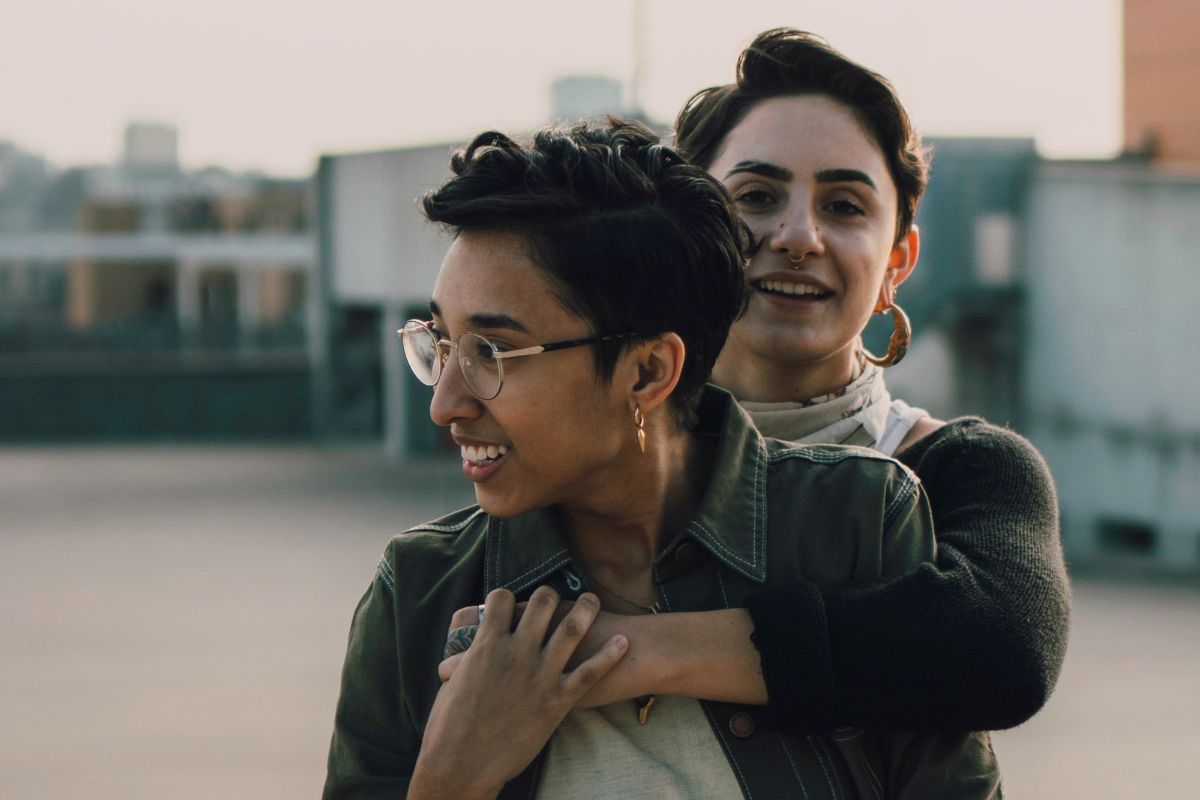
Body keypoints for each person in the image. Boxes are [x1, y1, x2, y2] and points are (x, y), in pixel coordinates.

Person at [323, 119, 1000, 798]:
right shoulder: (421, 592)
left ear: (647, 373)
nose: (445, 403)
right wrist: (450, 777)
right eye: (441, 341)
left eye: (492, 353)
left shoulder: (856, 524)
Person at [443, 28, 1070, 735]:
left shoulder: (958, 469)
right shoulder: (573, 462)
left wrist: (624, 648)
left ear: (898, 259)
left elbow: (1002, 649)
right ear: (692, 231)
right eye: (757, 195)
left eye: (844, 206)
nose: (799, 236)